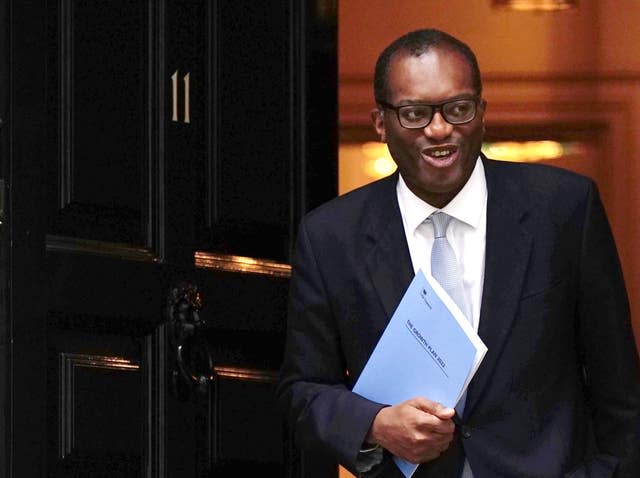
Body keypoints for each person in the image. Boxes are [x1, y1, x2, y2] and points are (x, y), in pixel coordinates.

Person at [276, 28, 640, 477]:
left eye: (459, 108)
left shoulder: (564, 210)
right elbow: (303, 389)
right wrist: (374, 424)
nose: (440, 128)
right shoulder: (331, 236)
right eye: (414, 113)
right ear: (380, 123)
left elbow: (619, 388)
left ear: (482, 114)